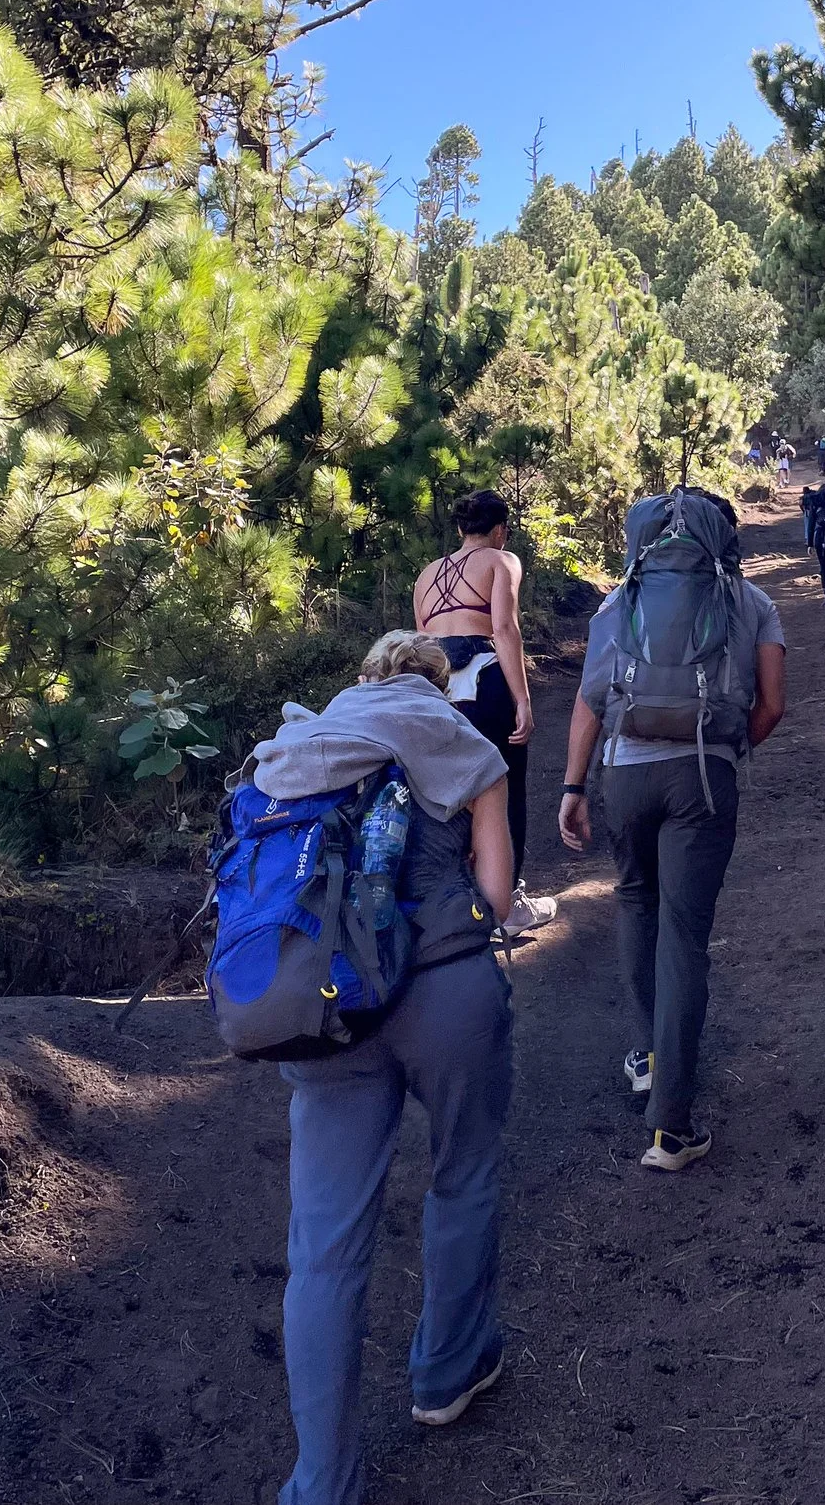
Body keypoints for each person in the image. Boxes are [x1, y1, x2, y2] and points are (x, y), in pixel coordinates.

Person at [250, 631, 519, 1504]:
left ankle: (321, 1482)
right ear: (438, 683)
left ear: (364, 677)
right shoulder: (464, 744)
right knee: (463, 1173)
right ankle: (446, 1370)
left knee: (323, 1250)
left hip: (331, 1006)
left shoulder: (301, 748)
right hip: (446, 991)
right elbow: (500, 893)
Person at [559, 489, 786, 1171]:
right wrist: (722, 749)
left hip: (624, 774)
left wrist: (573, 787)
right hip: (701, 776)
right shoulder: (751, 602)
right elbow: (773, 704)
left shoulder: (620, 599)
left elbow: (590, 700)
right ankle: (672, 1127)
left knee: (636, 904)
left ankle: (647, 1057)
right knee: (685, 936)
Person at [413, 489, 556, 935]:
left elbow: (419, 646)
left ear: (459, 529)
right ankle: (507, 903)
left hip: (436, 688)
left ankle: (451, 900)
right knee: (504, 785)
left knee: (443, 794)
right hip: (485, 680)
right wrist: (523, 700)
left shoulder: (425, 576)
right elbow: (503, 628)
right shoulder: (501, 561)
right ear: (500, 531)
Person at [799, 479, 822, 551]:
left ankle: (807, 541)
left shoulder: (803, 496)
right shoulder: (814, 494)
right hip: (815, 511)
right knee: (815, 526)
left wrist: (803, 511)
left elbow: (800, 504)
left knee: (807, 526)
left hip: (807, 511)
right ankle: (816, 539)